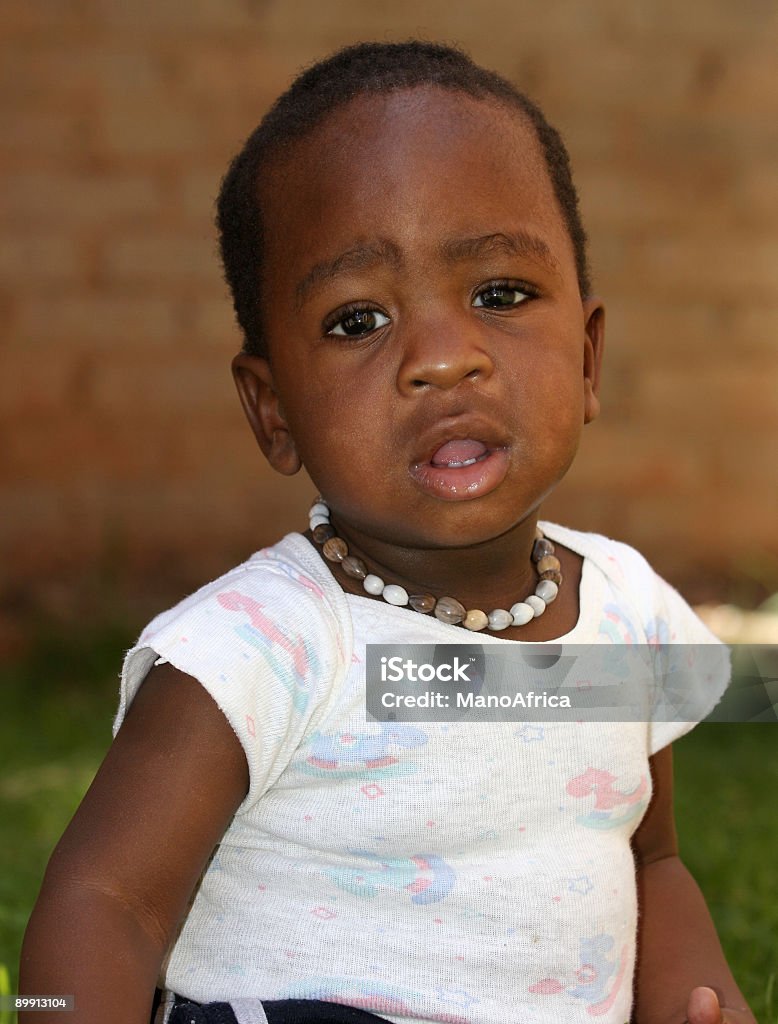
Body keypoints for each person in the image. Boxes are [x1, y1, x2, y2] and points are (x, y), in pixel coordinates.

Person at [20, 41, 755, 1024]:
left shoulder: (622, 614)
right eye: (358, 318)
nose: (444, 359)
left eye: (499, 294)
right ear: (272, 409)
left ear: (587, 359)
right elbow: (102, 904)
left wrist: (698, 999)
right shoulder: (258, 646)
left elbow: (648, 858)